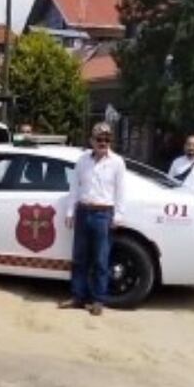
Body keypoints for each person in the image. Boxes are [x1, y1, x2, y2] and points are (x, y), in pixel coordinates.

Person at [60, 122, 126, 316]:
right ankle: (78, 297)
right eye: (99, 139)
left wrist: (119, 215)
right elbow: (74, 187)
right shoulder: (82, 161)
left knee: (100, 259)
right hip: (83, 211)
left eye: (107, 139)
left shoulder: (117, 162)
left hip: (103, 214)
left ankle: (98, 300)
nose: (103, 142)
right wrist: (70, 212)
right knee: (79, 258)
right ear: (92, 141)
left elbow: (121, 191)